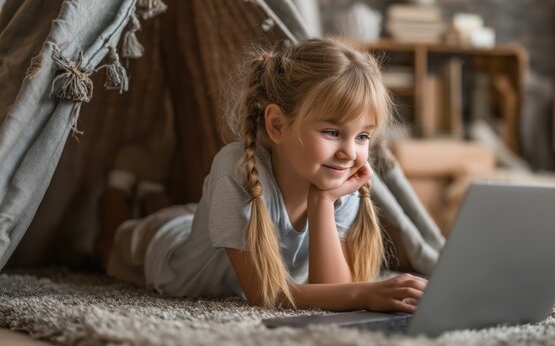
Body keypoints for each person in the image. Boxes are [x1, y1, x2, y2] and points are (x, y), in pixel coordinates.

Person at [95, 38, 427, 312]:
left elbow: (329, 291)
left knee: (179, 210)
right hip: (170, 251)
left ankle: (151, 187)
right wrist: (364, 294)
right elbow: (266, 295)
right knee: (110, 247)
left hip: (208, 222)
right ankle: (119, 183)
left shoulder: (339, 182)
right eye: (331, 132)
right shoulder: (236, 168)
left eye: (362, 137)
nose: (349, 153)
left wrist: (322, 201)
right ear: (277, 125)